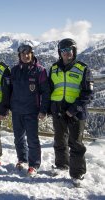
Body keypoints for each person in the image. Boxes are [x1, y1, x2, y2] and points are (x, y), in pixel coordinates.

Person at [49, 38, 93, 185]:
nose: (66, 54)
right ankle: (61, 165)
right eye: (63, 51)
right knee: (59, 140)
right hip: (58, 111)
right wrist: (49, 108)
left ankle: (77, 174)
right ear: (59, 53)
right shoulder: (54, 68)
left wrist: (72, 110)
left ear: (74, 52)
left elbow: (88, 94)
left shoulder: (83, 68)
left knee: (76, 143)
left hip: (76, 112)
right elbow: (49, 90)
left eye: (69, 51)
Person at [10, 44, 50, 176]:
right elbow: (9, 90)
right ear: (19, 56)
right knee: (18, 138)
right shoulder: (15, 70)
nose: (26, 56)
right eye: (23, 54)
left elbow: (46, 92)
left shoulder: (40, 70)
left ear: (32, 54)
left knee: (32, 139)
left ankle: (34, 165)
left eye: (28, 53)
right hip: (16, 110)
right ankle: (22, 159)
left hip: (32, 111)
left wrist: (43, 110)